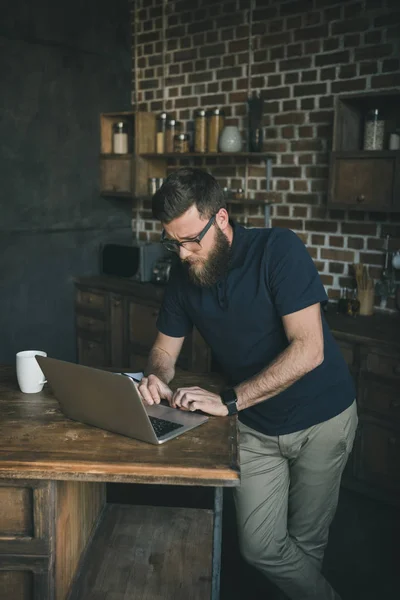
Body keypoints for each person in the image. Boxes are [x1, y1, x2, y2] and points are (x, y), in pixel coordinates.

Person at [138, 167, 358, 600]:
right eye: (172, 241)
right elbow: (164, 352)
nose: (181, 254)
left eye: (190, 240)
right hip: (255, 426)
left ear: (220, 219)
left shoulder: (278, 250)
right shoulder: (184, 276)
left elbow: (309, 349)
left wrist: (230, 400)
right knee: (259, 547)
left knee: (306, 544)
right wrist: (155, 377)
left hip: (322, 420)